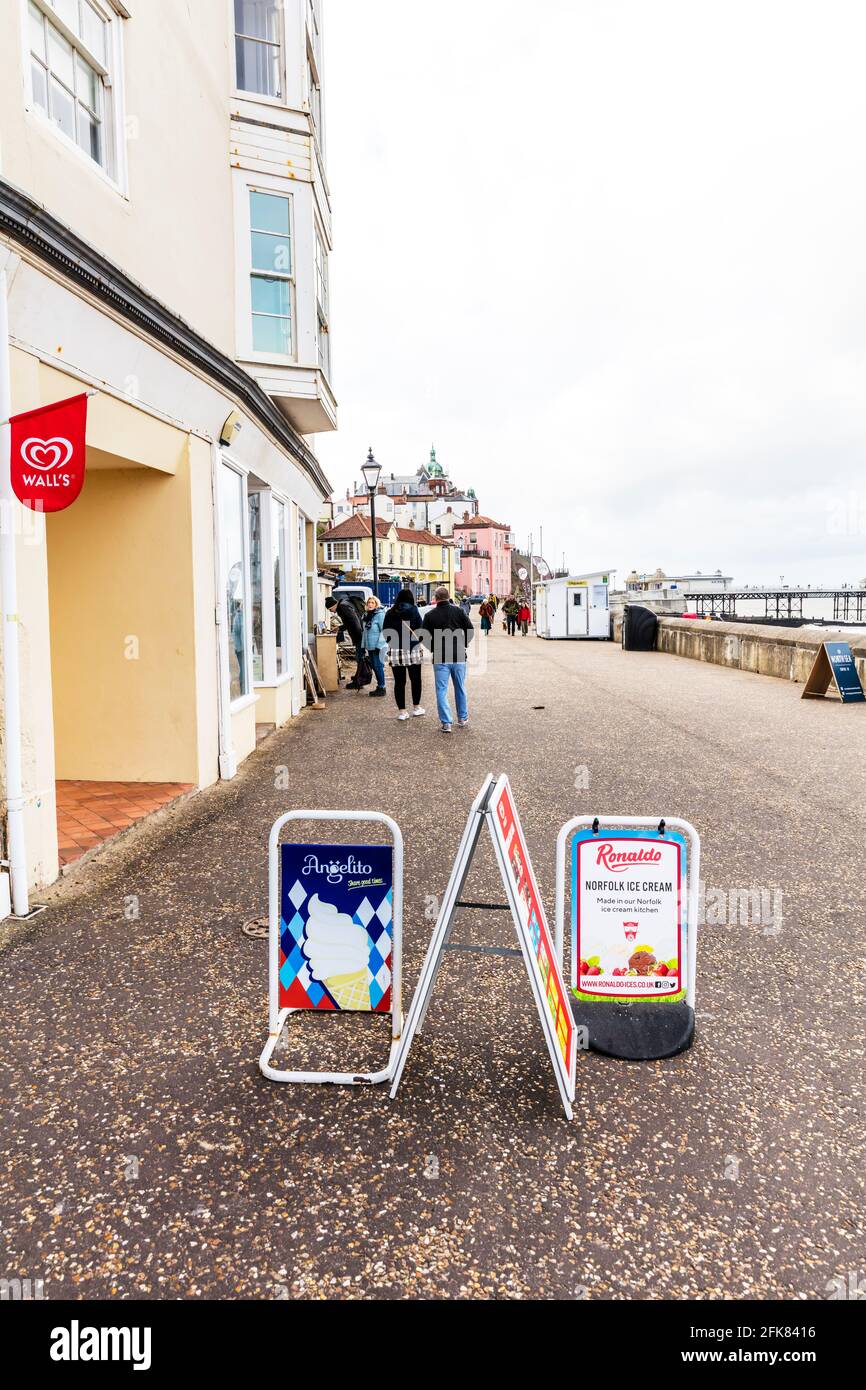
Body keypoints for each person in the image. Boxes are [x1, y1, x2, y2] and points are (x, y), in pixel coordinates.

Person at [421, 585, 474, 733]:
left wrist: (432, 647)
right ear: (448, 596)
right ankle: (462, 718)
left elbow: (423, 635)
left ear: (436, 598)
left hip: (440, 656)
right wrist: (464, 643)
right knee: (460, 687)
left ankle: (446, 722)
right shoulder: (459, 611)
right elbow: (470, 629)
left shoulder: (430, 615)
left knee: (441, 690)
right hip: (458, 655)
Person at [383, 588, 426, 721]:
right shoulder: (414, 611)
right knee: (416, 679)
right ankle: (416, 707)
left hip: (396, 650)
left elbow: (386, 632)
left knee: (399, 682)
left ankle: (402, 712)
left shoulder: (390, 612)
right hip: (412, 649)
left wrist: (393, 642)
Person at [325, 594, 365, 689]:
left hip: (359, 635)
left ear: (333, 605)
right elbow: (349, 622)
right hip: (359, 634)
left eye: (330, 609)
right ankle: (358, 678)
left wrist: (358, 637)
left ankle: (359, 681)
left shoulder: (343, 607)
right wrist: (339, 628)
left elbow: (354, 621)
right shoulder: (344, 605)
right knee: (360, 657)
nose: (331, 611)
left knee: (360, 658)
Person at [361, 595, 388, 696]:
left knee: (378, 666)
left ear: (376, 604)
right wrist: (363, 646)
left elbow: (384, 631)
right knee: (374, 666)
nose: (370, 604)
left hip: (378, 646)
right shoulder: (367, 615)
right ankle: (380, 686)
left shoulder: (380, 614)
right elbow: (365, 632)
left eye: (372, 603)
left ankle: (382, 688)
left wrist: (379, 646)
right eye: (369, 603)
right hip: (370, 646)